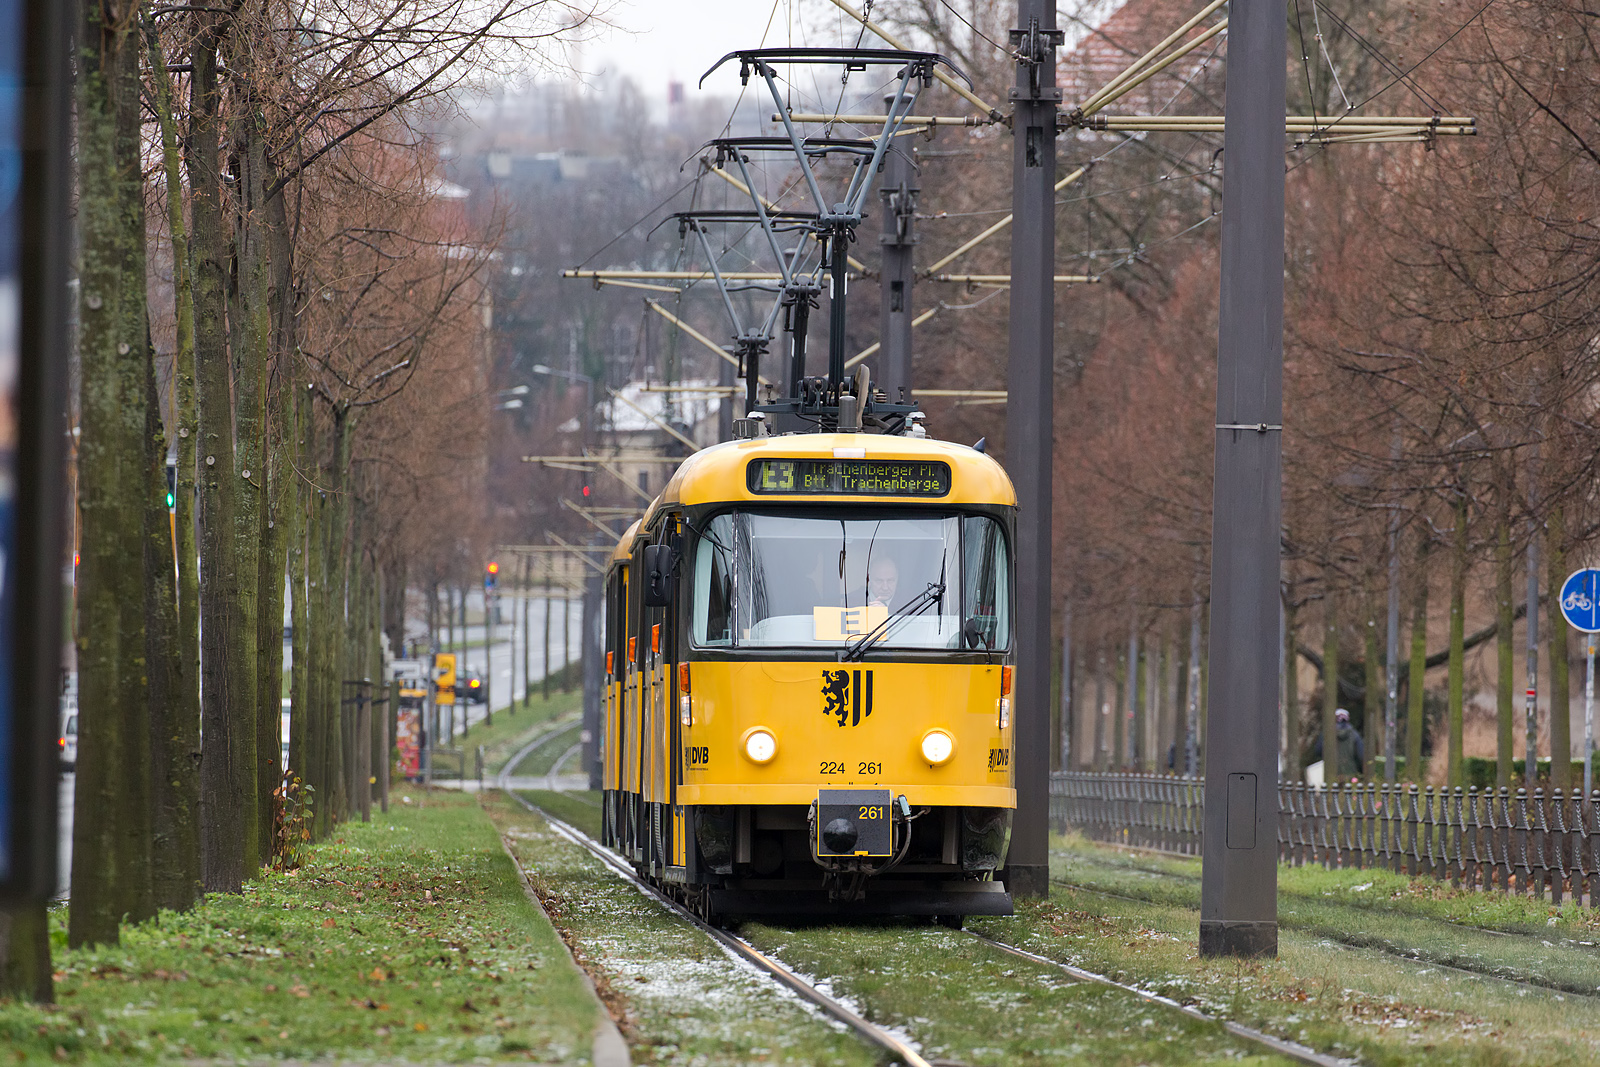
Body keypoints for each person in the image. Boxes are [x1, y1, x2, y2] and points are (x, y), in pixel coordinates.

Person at [1308, 707, 1364, 779]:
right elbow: (1361, 756)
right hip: (1350, 774)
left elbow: (1318, 751)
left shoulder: (1326, 734)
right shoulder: (1355, 735)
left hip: (1330, 774)